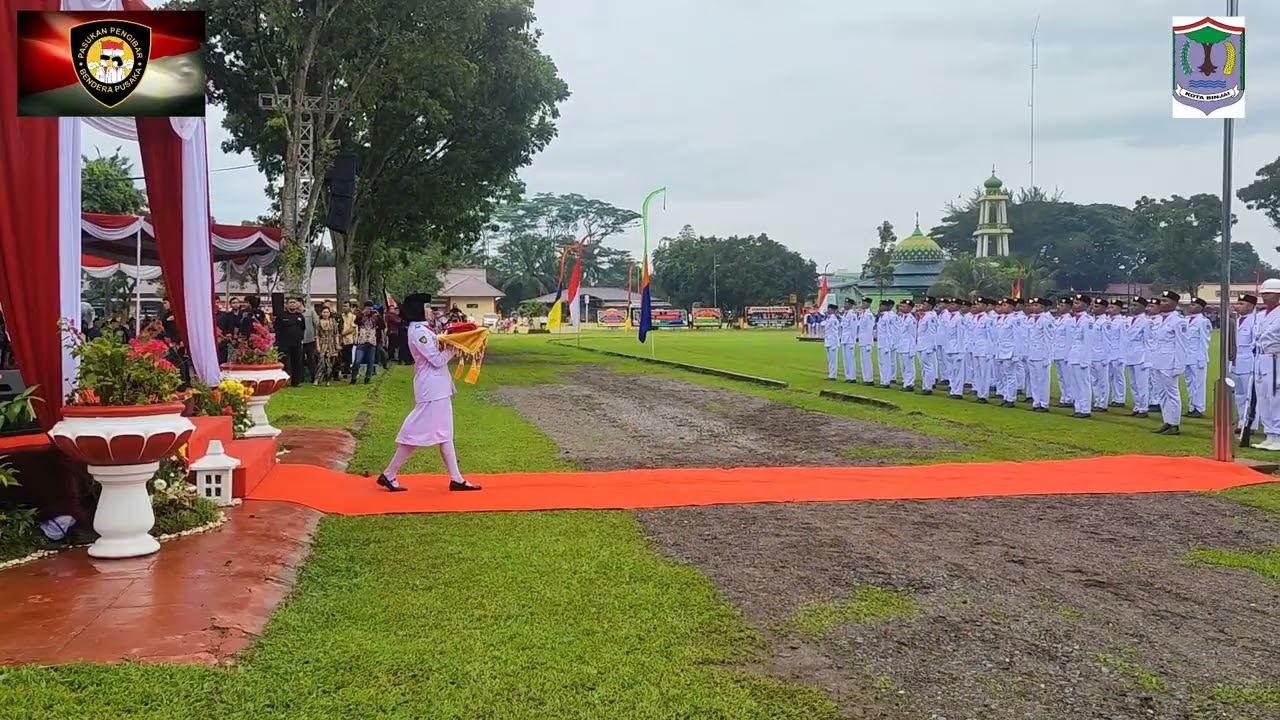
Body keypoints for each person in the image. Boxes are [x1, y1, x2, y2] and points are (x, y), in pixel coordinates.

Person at [377, 293, 482, 492]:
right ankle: (389, 474)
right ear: (418, 310)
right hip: (431, 388)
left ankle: (456, 478)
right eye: (426, 307)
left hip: (438, 387)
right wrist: (457, 346)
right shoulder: (419, 332)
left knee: (445, 434)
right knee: (416, 434)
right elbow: (436, 360)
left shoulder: (424, 329)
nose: (430, 310)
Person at [1150, 290, 1188, 435]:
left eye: (1166, 301)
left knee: (1172, 393)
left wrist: (1179, 365)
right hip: (1158, 361)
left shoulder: (1179, 321)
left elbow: (1181, 345)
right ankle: (1167, 421)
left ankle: (1175, 424)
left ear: (1174, 303)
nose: (1162, 303)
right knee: (1161, 393)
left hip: (1170, 362)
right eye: (1162, 300)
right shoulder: (1159, 320)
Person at [1250, 280, 1280, 450]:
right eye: (1263, 294)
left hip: (1275, 357)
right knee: (1262, 396)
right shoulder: (1261, 315)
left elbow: (1269, 335)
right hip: (1261, 358)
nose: (1264, 297)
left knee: (1275, 395)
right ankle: (1269, 432)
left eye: (1268, 293)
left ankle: (1278, 434)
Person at [1229, 293, 1258, 428]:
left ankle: (1251, 424)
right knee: (1239, 394)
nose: (1237, 306)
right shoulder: (1235, 320)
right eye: (1237, 303)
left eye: (1241, 304)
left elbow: (1255, 344)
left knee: (1249, 395)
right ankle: (1242, 420)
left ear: (1251, 306)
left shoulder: (1255, 321)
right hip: (1236, 361)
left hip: (1249, 361)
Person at [1065, 294, 1094, 418]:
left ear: (1086, 306)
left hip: (1082, 355)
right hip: (1073, 355)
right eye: (1074, 303)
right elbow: (1069, 340)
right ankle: (1078, 408)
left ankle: (1085, 409)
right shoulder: (1071, 320)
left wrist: (1085, 360)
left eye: (1078, 303)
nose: (1074, 305)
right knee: (1074, 384)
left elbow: (1088, 342)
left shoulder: (1088, 321)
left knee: (1083, 383)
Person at [1122, 297, 1152, 418]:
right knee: (1133, 384)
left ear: (1143, 307)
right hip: (1130, 356)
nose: (1132, 307)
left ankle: (1143, 408)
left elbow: (1148, 342)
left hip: (1141, 357)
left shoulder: (1146, 322)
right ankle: (1137, 406)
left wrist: (1147, 360)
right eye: (1132, 305)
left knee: (1142, 384)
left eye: (1136, 305)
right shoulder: (1129, 320)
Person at [1183, 297, 1212, 419]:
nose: (1190, 306)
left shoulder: (1203, 322)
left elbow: (1204, 341)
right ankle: (1191, 407)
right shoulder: (1185, 320)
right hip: (1186, 357)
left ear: (1200, 307)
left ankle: (1199, 407)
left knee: (1198, 384)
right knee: (1189, 383)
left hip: (1197, 357)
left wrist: (1202, 358)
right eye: (1190, 304)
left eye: (1194, 304)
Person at [1023, 297, 1052, 412]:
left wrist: (1047, 357)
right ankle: (1036, 402)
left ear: (1043, 307)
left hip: (1041, 354)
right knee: (1034, 380)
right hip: (1031, 354)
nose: (1033, 307)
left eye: (1036, 305)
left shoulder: (1046, 320)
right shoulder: (1030, 320)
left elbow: (1049, 340)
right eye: (1032, 305)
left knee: (1043, 380)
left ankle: (1044, 403)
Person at [275, 298, 307, 387]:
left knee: (297, 363)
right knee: (284, 363)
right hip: (284, 343)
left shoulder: (300, 316)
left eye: (294, 302)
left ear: (297, 304)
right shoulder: (281, 316)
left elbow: (303, 328)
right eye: (290, 303)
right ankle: (283, 382)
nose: (292, 304)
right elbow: (277, 328)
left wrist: (301, 338)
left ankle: (295, 382)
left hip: (296, 344)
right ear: (286, 305)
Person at [1088, 298, 1110, 413]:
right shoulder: (1091, 320)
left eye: (1097, 307)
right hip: (1091, 355)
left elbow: (1107, 342)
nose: (1094, 308)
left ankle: (1103, 403)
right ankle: (1097, 401)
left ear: (1104, 308)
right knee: (1094, 380)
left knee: (1102, 380)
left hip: (1101, 355)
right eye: (1093, 306)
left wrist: (1106, 357)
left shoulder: (1105, 322)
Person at [351, 301, 382, 384]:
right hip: (361, 341)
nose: (369, 309)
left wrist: (378, 315)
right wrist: (362, 314)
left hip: (372, 342)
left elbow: (382, 326)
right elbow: (355, 322)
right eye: (367, 307)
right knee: (357, 361)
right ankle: (353, 378)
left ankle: (367, 378)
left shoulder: (375, 316)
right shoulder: (361, 315)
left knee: (370, 362)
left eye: (370, 307)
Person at [1104, 300, 1127, 409]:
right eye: (1109, 307)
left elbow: (1123, 340)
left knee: (1118, 376)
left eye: (1112, 307)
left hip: (1117, 353)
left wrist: (1122, 356)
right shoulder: (1107, 320)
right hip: (1108, 353)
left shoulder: (1122, 322)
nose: (1110, 309)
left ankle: (1120, 398)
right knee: (1110, 376)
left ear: (1119, 309)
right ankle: (1113, 397)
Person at [1052, 297, 1074, 408]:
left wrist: (1067, 354)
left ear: (1069, 308)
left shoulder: (1069, 321)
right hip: (1057, 352)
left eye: (1062, 306)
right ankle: (1064, 397)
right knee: (1061, 377)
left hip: (1065, 353)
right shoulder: (1058, 320)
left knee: (1067, 377)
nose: (1059, 308)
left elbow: (1070, 339)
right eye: (1059, 305)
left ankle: (1070, 398)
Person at [916, 296, 939, 395]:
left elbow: (932, 333)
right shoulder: (924, 316)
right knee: (924, 367)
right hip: (922, 345)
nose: (922, 306)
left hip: (927, 346)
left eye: (924, 304)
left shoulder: (931, 317)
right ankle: (925, 386)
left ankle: (928, 387)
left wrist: (930, 347)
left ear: (930, 306)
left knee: (928, 367)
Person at [894, 299, 918, 391]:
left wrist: (912, 348)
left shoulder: (911, 319)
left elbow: (913, 335)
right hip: (901, 345)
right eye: (900, 306)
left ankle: (909, 384)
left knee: (909, 366)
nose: (900, 308)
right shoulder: (900, 317)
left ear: (909, 308)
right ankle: (905, 382)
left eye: (903, 306)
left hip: (908, 346)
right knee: (903, 366)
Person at [316, 306, 340, 384]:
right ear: (321, 313)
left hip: (331, 344)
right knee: (321, 362)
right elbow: (317, 335)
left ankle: (328, 379)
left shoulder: (333, 322)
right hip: (322, 344)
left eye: (327, 312)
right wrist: (318, 346)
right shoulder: (318, 322)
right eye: (324, 312)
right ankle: (318, 378)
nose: (325, 314)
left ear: (329, 313)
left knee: (330, 363)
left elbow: (336, 334)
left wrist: (337, 344)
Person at [874, 300, 896, 387]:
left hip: (886, 343)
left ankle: (886, 381)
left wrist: (889, 344)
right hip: (881, 342)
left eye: (882, 306)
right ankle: (883, 380)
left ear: (887, 307)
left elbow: (890, 332)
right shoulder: (881, 316)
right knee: (881, 363)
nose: (880, 307)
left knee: (886, 363)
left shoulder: (888, 317)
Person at [855, 298, 876, 385]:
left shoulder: (869, 315)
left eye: (864, 303)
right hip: (862, 340)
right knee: (863, 361)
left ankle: (869, 379)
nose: (862, 304)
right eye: (862, 302)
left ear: (868, 304)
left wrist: (868, 343)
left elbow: (869, 330)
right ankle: (865, 379)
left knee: (867, 361)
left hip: (866, 341)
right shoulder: (862, 314)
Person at [301, 300, 320, 384]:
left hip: (310, 340)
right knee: (299, 360)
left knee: (311, 359)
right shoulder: (293, 314)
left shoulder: (310, 312)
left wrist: (316, 336)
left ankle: (315, 377)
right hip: (299, 341)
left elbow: (317, 324)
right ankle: (300, 378)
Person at [838, 298, 858, 382]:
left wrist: (853, 340)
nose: (845, 305)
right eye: (845, 303)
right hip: (844, 339)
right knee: (845, 359)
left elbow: (854, 328)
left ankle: (852, 377)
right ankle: (848, 376)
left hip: (850, 339)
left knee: (850, 359)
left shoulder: (852, 315)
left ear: (850, 305)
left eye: (847, 304)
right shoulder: (845, 314)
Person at [821, 304, 841, 380]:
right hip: (828, 341)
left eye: (829, 309)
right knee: (830, 360)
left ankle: (833, 375)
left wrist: (835, 342)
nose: (828, 310)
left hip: (833, 341)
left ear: (833, 310)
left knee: (833, 360)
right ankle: (831, 374)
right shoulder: (828, 319)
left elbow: (835, 331)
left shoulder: (833, 319)